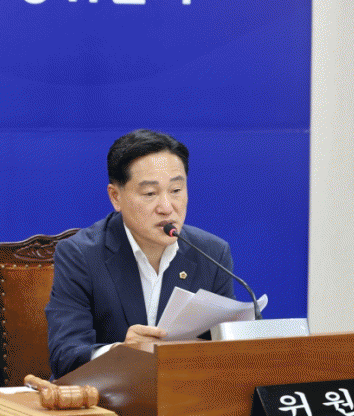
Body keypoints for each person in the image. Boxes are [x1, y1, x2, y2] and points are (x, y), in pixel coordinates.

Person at [45, 129, 234, 379]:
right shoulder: (80, 255)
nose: (167, 207)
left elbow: (229, 345)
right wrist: (121, 352)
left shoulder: (212, 253)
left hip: (183, 393)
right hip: (109, 395)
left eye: (176, 190)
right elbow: (65, 356)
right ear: (116, 197)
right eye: (150, 194)